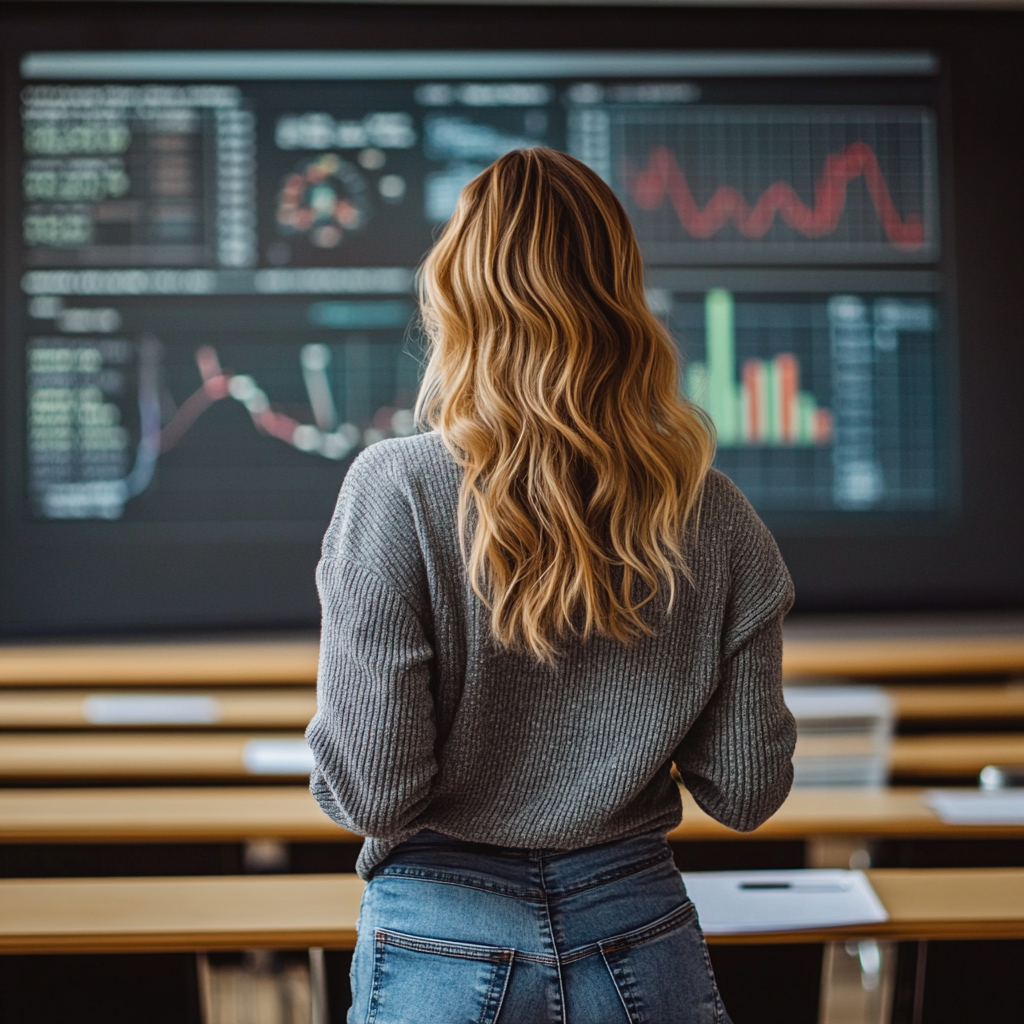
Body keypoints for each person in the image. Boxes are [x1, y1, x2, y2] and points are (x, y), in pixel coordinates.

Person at [307, 147, 796, 1024]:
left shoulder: (395, 489)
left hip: (437, 940)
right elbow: (747, 789)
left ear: (454, 298)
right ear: (621, 297)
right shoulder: (714, 511)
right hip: (641, 937)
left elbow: (375, 792)